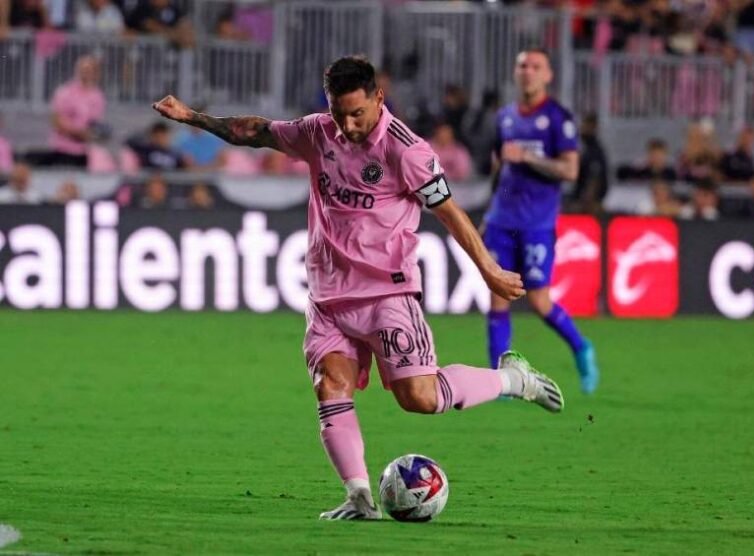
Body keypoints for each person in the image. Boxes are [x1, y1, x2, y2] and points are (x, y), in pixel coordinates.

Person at [153, 55, 565, 521]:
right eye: (337, 114)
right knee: (330, 385)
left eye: (357, 114)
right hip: (327, 297)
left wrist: (488, 268)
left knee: (421, 400)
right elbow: (257, 131)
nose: (347, 126)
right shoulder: (317, 133)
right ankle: (359, 496)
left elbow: (450, 213)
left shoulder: (407, 151)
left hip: (387, 295)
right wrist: (193, 117)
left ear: (378, 98)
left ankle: (512, 379)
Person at [482, 49, 599, 394]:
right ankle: (497, 381)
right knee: (497, 298)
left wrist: (529, 157)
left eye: (535, 67)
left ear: (548, 75)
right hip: (502, 221)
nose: (527, 72)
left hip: (536, 224)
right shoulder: (504, 117)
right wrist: (489, 214)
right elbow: (498, 169)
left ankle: (581, 347)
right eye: (522, 66)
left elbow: (570, 170)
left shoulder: (558, 118)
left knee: (538, 301)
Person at [48, 55, 107, 167]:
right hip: (62, 149)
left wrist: (90, 134)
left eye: (89, 70)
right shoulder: (64, 92)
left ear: (96, 73)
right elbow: (55, 120)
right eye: (83, 69)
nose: (86, 73)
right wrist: (78, 133)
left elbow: (95, 123)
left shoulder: (98, 96)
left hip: (84, 151)